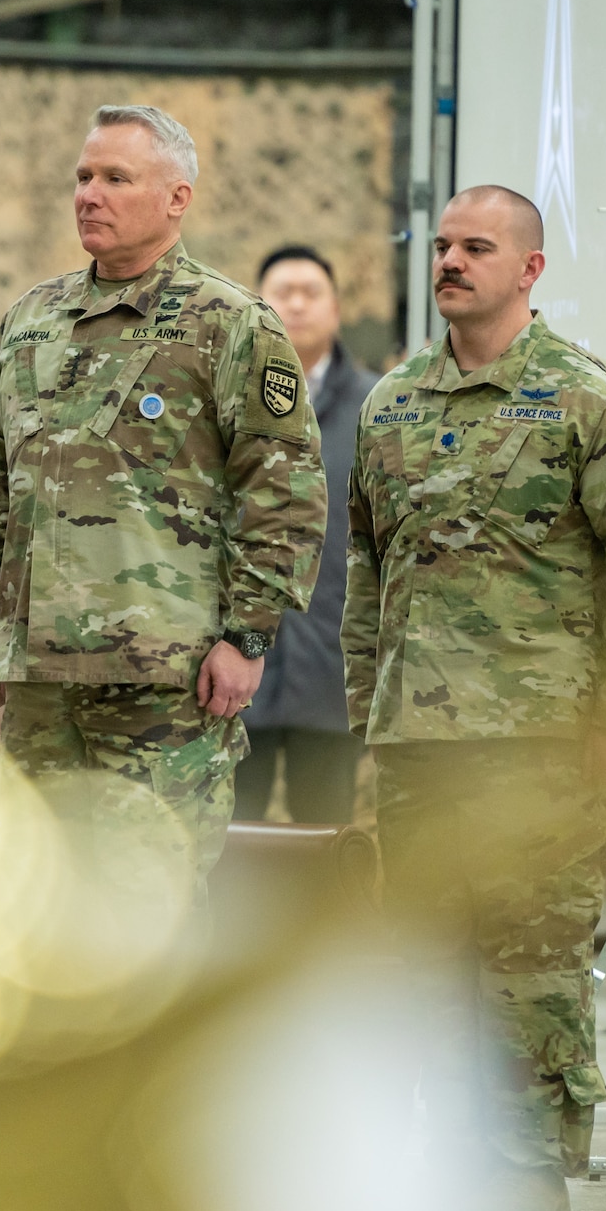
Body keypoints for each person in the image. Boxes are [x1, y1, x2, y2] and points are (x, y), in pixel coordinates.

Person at [342, 185, 606, 1211]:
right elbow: (365, 569)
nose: (450, 261)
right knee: (424, 964)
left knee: (530, 966)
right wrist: (367, 706)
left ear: (529, 268)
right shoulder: (391, 403)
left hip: (542, 744)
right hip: (416, 744)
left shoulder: (587, 401)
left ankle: (526, 1172)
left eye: (476, 247)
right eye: (442, 245)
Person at [0, 105, 326, 872]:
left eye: (116, 178)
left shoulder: (230, 324)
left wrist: (248, 636)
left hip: (165, 677)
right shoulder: (31, 319)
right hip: (40, 681)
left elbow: (283, 487)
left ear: (176, 197)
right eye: (84, 177)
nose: (90, 193)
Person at [234, 245, 377, 825]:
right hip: (238, 669)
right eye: (280, 293)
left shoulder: (378, 406)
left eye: (310, 292)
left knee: (326, 842)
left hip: (333, 670)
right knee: (230, 842)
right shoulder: (227, 398)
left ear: (337, 309)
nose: (295, 304)